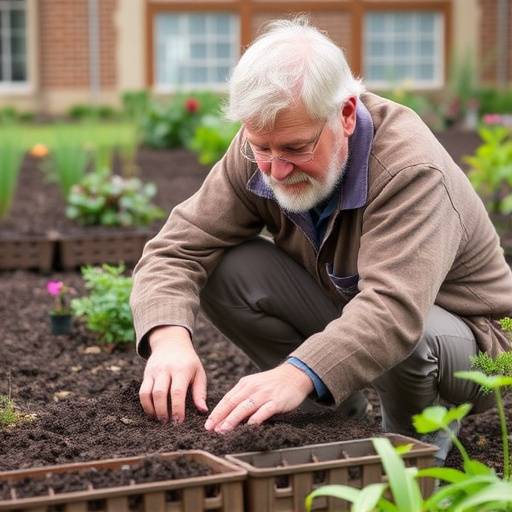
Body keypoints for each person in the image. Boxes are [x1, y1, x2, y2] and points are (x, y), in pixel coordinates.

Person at [130, 18, 512, 463]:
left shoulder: (410, 171)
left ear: (346, 114)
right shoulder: (263, 145)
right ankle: (328, 418)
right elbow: (177, 246)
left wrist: (294, 373)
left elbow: (392, 310)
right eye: (261, 147)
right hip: (355, 306)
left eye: (295, 148)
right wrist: (168, 338)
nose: (275, 168)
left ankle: (411, 455)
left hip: (476, 346)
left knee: (411, 333)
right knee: (228, 269)